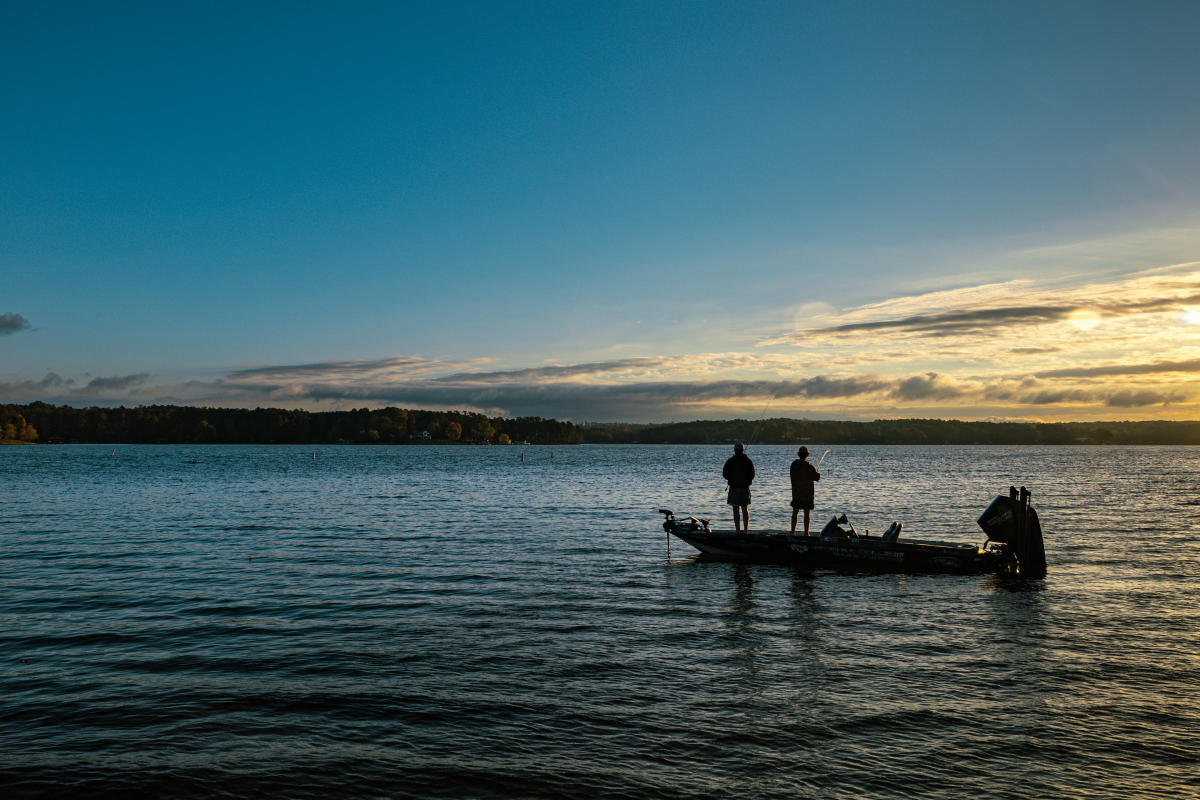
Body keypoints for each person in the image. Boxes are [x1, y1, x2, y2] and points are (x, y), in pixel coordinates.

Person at [722, 443, 755, 533]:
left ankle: (737, 530)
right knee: (745, 509)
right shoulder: (748, 461)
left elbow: (724, 474)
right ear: (743, 450)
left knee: (735, 510)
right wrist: (747, 481)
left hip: (734, 488)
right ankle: (745, 530)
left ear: (735, 450)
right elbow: (752, 475)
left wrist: (731, 479)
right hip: (745, 488)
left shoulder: (730, 461)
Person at [789, 446, 821, 535]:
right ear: (807, 455)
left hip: (796, 493)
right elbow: (816, 478)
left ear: (799, 455)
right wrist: (817, 474)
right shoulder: (809, 467)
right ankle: (806, 533)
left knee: (795, 511)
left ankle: (792, 531)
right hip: (807, 494)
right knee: (806, 513)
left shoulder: (794, 465)